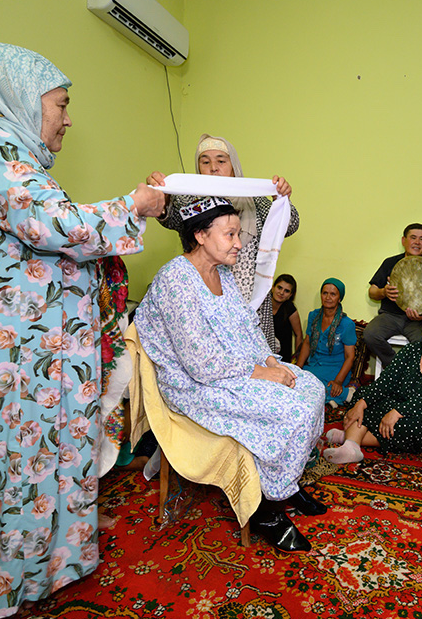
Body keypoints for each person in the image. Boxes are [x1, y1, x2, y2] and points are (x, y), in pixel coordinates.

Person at [0, 40, 165, 619]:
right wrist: (137, 204)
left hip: (12, 349)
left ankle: (32, 568)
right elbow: (57, 224)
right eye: (61, 104)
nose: (69, 118)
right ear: (21, 97)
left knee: (16, 462)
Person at [135, 197, 326, 553]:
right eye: (230, 234)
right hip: (195, 384)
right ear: (201, 235)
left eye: (238, 233)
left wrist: (271, 361)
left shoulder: (222, 273)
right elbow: (199, 363)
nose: (239, 242)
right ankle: (267, 509)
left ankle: (287, 479)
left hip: (235, 369)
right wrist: (262, 375)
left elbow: (249, 327)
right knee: (292, 411)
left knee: (311, 386)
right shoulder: (176, 279)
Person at [152, 135, 298, 354]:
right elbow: (170, 218)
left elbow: (289, 225)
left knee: (255, 355)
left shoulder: (254, 199)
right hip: (207, 297)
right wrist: (162, 201)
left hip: (251, 299)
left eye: (221, 161)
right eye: (205, 161)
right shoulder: (188, 198)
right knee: (213, 353)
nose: (213, 168)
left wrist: (282, 201)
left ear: (233, 165)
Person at [323, 311, 422, 464]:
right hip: (405, 404)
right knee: (363, 398)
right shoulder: (412, 350)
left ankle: (349, 438)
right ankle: (352, 447)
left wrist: (398, 412)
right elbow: (386, 382)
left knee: (407, 426)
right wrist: (362, 403)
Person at [364, 224, 422, 368]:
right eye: (413, 238)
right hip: (390, 316)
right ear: (404, 240)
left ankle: (409, 376)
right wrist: (384, 292)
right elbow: (372, 291)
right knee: (370, 334)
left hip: (417, 322)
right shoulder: (390, 262)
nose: (417, 242)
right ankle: (396, 368)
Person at [296, 278, 357, 406]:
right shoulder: (313, 316)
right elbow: (307, 343)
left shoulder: (347, 324)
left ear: (339, 298)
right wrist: (298, 369)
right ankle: (338, 396)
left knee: (310, 387)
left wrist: (338, 382)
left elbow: (350, 357)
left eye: (333, 294)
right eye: (325, 293)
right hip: (315, 365)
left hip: (336, 369)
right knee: (294, 382)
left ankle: (344, 393)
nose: (328, 297)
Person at [270, 274, 302, 362]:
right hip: (263, 354)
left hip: (283, 358)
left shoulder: (290, 309)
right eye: (279, 288)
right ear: (272, 288)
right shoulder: (262, 305)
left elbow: (298, 334)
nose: (281, 293)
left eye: (286, 291)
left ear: (290, 295)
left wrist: (297, 358)